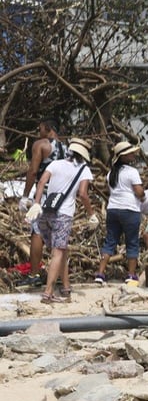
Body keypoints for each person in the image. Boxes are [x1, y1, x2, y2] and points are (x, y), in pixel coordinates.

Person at [24, 141, 97, 302]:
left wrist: (36, 203)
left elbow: (41, 182)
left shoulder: (55, 164)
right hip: (63, 215)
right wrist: (91, 214)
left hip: (46, 211)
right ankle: (48, 292)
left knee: (61, 250)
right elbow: (83, 194)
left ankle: (65, 287)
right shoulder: (84, 170)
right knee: (58, 253)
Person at [19, 119, 69, 284]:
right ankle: (62, 277)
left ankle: (34, 275)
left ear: (47, 128)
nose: (38, 131)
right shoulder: (66, 147)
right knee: (59, 235)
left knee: (37, 232)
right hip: (62, 196)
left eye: (40, 128)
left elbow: (33, 171)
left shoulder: (41, 144)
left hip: (45, 193)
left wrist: (25, 195)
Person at [95, 142, 146, 286]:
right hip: (130, 210)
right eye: (131, 153)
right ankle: (131, 275)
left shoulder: (111, 173)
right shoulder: (132, 172)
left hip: (113, 209)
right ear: (124, 156)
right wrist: (143, 197)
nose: (134, 155)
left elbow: (109, 190)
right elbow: (139, 192)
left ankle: (100, 273)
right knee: (132, 242)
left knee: (110, 241)